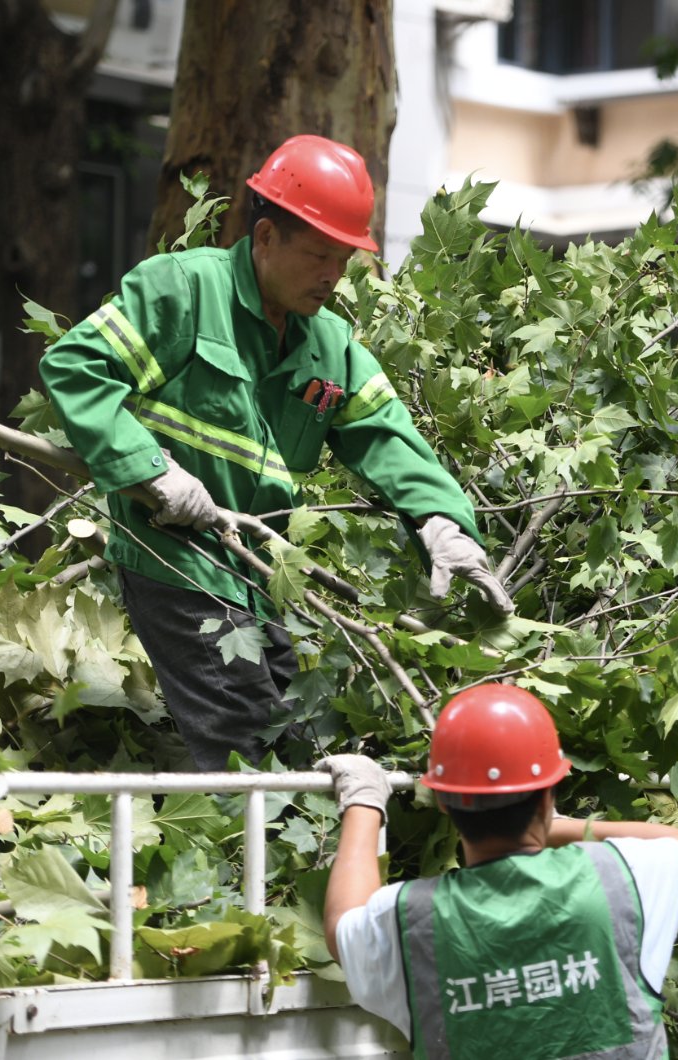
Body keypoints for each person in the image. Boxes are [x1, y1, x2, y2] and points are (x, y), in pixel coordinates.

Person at [40, 135, 512, 770]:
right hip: (173, 557)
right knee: (245, 740)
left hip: (258, 576)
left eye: (343, 260)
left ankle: (281, 858)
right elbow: (75, 367)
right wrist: (150, 472)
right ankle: (244, 860)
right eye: (319, 254)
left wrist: (443, 522)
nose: (331, 276)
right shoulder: (182, 291)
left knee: (302, 732)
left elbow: (388, 437)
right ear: (265, 238)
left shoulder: (333, 347)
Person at [320, 683, 678, 1060]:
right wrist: (557, 826)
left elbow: (343, 924)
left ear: (441, 801)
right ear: (547, 796)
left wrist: (364, 802)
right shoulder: (616, 877)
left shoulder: (408, 919)